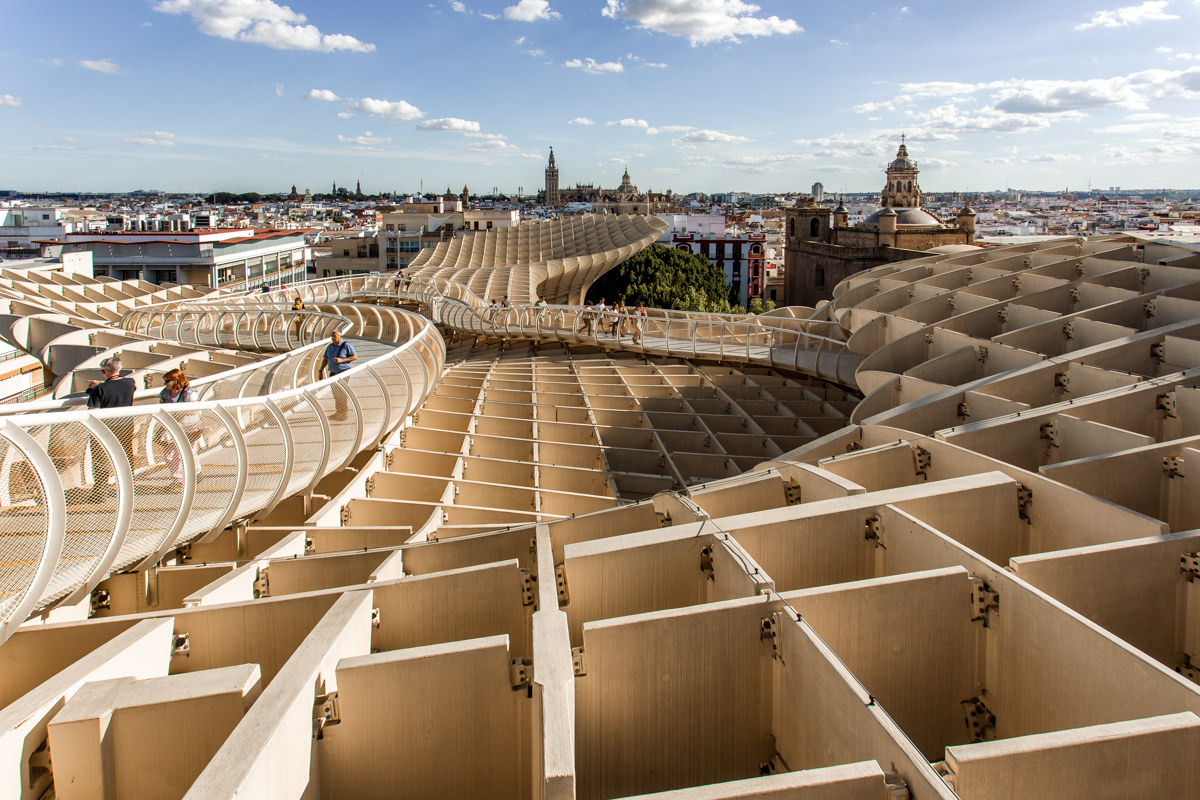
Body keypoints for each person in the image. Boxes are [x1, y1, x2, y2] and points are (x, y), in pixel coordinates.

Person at [86, 356, 136, 501]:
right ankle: (128, 487)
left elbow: (93, 409)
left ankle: (100, 493)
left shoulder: (100, 389)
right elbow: (116, 385)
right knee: (126, 456)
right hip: (126, 424)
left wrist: (94, 388)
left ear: (103, 371)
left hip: (106, 427)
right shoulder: (130, 383)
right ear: (119, 368)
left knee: (100, 459)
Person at [159, 368, 200, 483]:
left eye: (167, 381)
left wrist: (176, 412)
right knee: (169, 453)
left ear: (176, 380)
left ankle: (196, 474)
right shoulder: (164, 393)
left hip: (190, 426)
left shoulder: (189, 392)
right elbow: (161, 407)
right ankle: (178, 478)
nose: (165, 384)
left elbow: (194, 409)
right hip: (172, 427)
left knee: (189, 451)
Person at [319, 330, 357, 421]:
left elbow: (354, 357)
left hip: (343, 372)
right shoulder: (330, 347)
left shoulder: (346, 345)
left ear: (340, 336)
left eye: (335, 336)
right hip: (333, 373)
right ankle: (339, 412)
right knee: (335, 393)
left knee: (341, 393)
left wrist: (341, 361)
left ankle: (343, 414)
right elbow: (325, 359)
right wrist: (321, 370)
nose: (333, 338)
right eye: (332, 336)